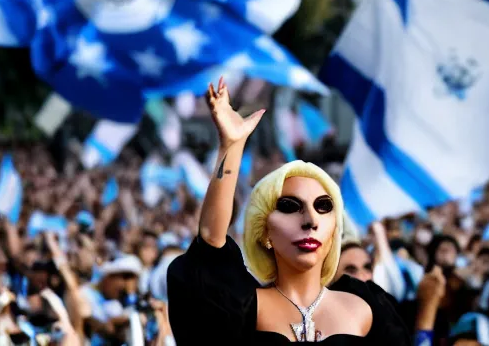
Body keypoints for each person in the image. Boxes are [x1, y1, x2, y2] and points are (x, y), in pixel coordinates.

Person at [167, 78, 410, 344]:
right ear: (265, 231)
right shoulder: (242, 306)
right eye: (289, 207)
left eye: (323, 206)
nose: (310, 220)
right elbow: (210, 248)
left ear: (334, 231)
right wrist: (232, 146)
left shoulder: (369, 308)